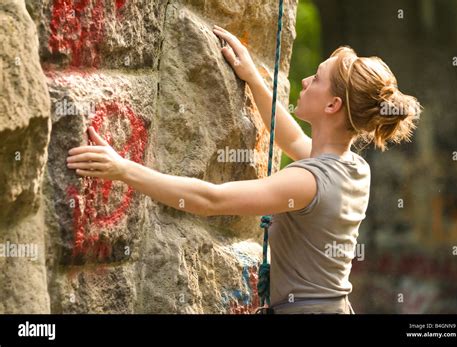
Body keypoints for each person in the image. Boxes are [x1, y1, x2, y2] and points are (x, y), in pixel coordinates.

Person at [66, 25, 421, 314]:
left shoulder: (307, 182)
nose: (304, 82)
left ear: (332, 104)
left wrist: (123, 169)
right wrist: (251, 76)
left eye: (316, 78)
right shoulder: (353, 167)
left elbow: (210, 199)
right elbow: (294, 139)